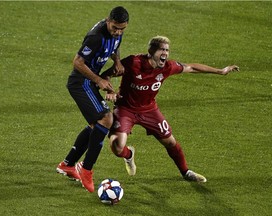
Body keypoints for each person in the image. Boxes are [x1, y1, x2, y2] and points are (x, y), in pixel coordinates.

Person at [102, 35, 239, 182]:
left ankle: (186, 172)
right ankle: (129, 155)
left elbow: (191, 67)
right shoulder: (133, 63)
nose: (165, 54)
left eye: (167, 50)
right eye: (162, 50)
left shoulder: (167, 67)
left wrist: (220, 71)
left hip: (149, 110)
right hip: (126, 109)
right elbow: (107, 74)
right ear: (151, 51)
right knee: (117, 146)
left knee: (170, 142)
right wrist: (110, 91)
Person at [56, 6, 129, 193]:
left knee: (96, 126)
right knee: (106, 118)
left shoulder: (116, 32)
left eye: (122, 28)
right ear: (108, 20)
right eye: (115, 28)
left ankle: (68, 164)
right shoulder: (95, 37)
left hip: (90, 81)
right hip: (81, 82)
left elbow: (115, 46)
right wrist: (99, 80)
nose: (118, 32)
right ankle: (86, 169)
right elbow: (77, 62)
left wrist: (117, 62)